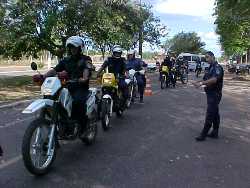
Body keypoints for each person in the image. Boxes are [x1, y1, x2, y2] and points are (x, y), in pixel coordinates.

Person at [34, 36, 93, 136]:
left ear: (80, 48)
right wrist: (43, 76)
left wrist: (84, 78)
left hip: (80, 87)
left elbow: (87, 70)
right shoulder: (66, 60)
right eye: (71, 47)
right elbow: (55, 70)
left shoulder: (86, 59)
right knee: (54, 99)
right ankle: (61, 123)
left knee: (78, 102)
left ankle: (83, 127)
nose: (73, 49)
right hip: (66, 87)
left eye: (75, 47)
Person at [193, 51, 224, 141]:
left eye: (207, 57)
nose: (206, 59)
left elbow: (214, 80)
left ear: (212, 57)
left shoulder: (217, 67)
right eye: (205, 57)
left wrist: (201, 83)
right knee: (215, 113)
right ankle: (215, 132)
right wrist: (198, 82)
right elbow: (206, 78)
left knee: (210, 113)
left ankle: (203, 134)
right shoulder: (210, 67)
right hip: (210, 93)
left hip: (215, 94)